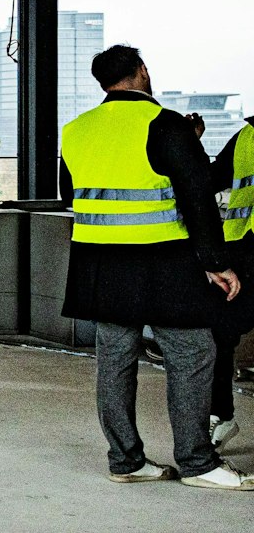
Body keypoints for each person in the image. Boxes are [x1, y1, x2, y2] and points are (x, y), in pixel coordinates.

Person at [60, 44, 250, 489]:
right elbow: (197, 196)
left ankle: (125, 461)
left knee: (115, 359)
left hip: (99, 260)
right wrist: (216, 263)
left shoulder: (76, 130)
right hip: (162, 259)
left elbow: (75, 192)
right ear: (142, 71)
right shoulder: (165, 124)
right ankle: (198, 463)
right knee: (193, 353)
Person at [206, 110, 254, 449]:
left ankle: (221, 416)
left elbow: (207, 180)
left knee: (221, 335)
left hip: (241, 249)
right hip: (242, 249)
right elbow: (209, 181)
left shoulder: (245, 137)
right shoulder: (245, 137)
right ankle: (221, 416)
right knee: (220, 335)